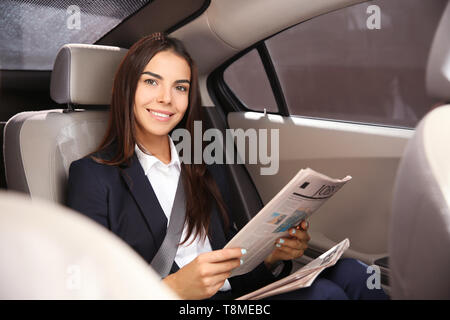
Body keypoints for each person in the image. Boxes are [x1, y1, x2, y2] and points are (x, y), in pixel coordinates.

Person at [66, 32, 388, 300]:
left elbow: (233, 277)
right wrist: (174, 288)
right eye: (151, 82)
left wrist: (274, 254)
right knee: (325, 297)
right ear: (127, 88)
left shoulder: (203, 161)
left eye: (180, 87)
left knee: (355, 274)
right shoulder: (93, 176)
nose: (166, 98)